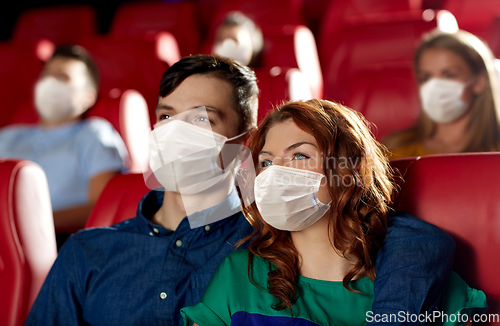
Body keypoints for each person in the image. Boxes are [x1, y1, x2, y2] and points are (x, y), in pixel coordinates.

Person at [27, 56, 453, 326]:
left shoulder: (274, 235)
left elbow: (399, 236)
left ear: (243, 144)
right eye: (165, 116)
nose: (175, 132)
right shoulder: (88, 251)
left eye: (202, 120)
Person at [181, 99, 487, 326]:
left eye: (299, 155)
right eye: (266, 162)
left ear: (348, 169)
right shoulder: (239, 274)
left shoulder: (415, 277)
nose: (276, 174)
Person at [0, 45, 128, 247]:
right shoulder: (8, 136)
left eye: (63, 77)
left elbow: (101, 208)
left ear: (88, 96)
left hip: (59, 243)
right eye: (47, 74)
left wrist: (24, 224)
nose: (50, 82)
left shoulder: (94, 134)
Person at [383, 29, 500, 160]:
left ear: (479, 82)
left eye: (449, 75)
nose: (434, 87)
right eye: (426, 78)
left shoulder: (496, 150)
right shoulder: (395, 150)